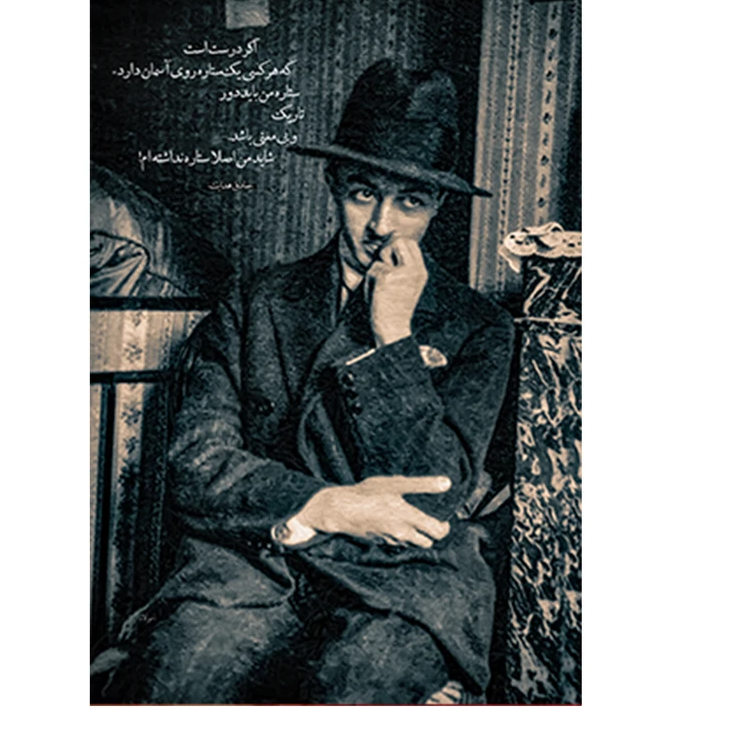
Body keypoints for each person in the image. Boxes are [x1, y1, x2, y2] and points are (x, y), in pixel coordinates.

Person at [96, 59, 514, 704]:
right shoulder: (257, 300)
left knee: (351, 688)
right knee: (175, 681)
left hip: (402, 582)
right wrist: (327, 504)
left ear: (436, 206)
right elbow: (197, 463)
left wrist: (393, 337)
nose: (381, 225)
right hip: (256, 564)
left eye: (410, 201)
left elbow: (436, 492)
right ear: (332, 183)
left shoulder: (479, 326)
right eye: (363, 192)